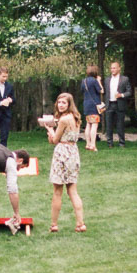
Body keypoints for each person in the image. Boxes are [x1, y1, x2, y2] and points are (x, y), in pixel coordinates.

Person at [44, 93, 85, 233]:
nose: (61, 105)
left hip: (62, 153)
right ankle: (80, 223)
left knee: (57, 191)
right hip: (73, 152)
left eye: (64, 103)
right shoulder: (75, 118)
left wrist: (49, 129)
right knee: (73, 190)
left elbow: (55, 140)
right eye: (59, 102)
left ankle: (54, 224)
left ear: (69, 104)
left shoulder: (63, 119)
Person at [103, 62, 132, 148]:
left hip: (119, 104)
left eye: (114, 68)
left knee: (120, 125)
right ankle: (110, 143)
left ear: (119, 68)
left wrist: (121, 95)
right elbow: (105, 92)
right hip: (109, 104)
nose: (112, 70)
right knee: (109, 125)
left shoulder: (125, 79)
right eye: (111, 68)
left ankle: (122, 143)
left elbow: (129, 92)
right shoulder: (107, 79)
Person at [80, 65, 104, 151]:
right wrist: (99, 81)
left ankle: (88, 143)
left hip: (86, 104)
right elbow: (101, 90)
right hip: (94, 105)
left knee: (88, 124)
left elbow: (82, 91)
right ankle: (93, 145)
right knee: (94, 124)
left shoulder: (84, 81)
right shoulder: (94, 81)